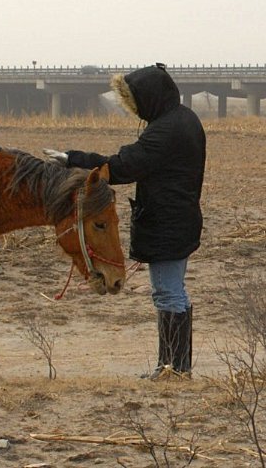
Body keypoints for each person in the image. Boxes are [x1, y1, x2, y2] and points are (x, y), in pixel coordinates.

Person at [44, 63, 206, 379]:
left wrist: (73, 159)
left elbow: (122, 167)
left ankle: (174, 369)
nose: (136, 108)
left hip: (168, 224)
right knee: (175, 293)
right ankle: (174, 366)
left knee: (168, 294)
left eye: (136, 100)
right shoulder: (183, 119)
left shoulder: (166, 130)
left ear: (150, 96)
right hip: (179, 219)